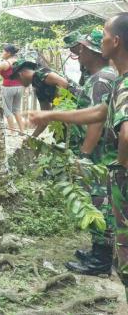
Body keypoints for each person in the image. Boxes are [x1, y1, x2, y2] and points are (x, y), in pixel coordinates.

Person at [28, 14, 128, 295]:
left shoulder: (116, 81)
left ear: (115, 41)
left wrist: (120, 167)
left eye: (105, 34)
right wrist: (50, 113)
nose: (79, 52)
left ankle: (102, 258)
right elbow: (99, 112)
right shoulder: (117, 79)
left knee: (111, 223)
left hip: (113, 168)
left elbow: (122, 133)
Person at [62, 28, 117, 275]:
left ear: (94, 52)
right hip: (101, 154)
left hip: (99, 156)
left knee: (99, 201)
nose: (79, 53)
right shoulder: (102, 76)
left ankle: (101, 260)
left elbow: (96, 121)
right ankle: (98, 251)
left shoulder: (101, 80)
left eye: (82, 49)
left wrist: (84, 155)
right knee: (99, 200)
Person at [10, 58, 77, 137]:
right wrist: (32, 138)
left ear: (20, 74)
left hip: (78, 106)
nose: (18, 83)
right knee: (59, 141)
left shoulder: (40, 73)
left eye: (17, 80)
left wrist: (55, 108)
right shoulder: (37, 87)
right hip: (67, 113)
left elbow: (62, 82)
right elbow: (45, 116)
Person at [0, 44, 24, 132]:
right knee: (17, 110)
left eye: (3, 51)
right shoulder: (20, 62)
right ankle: (22, 131)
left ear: (8, 53)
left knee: (7, 110)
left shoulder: (5, 63)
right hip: (20, 87)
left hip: (8, 88)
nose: (2, 53)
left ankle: (12, 131)